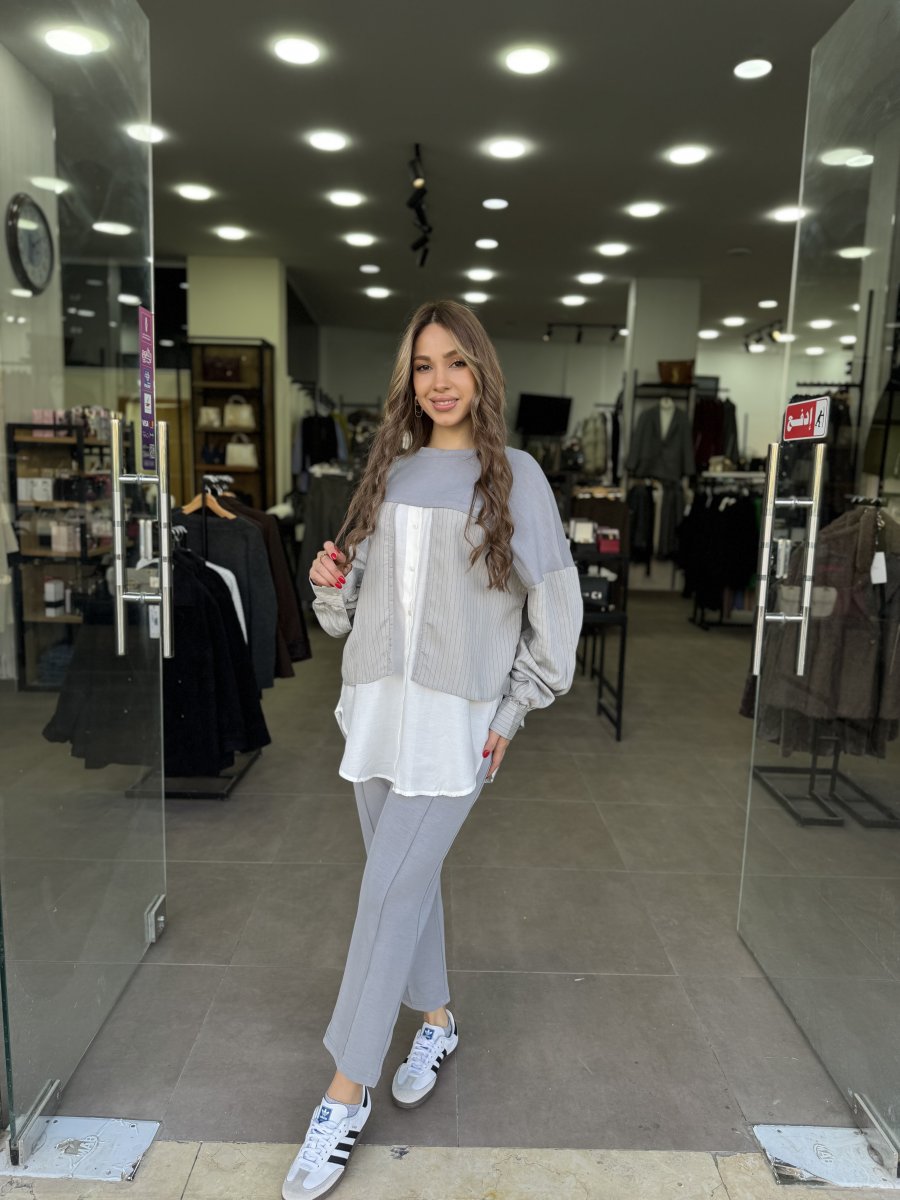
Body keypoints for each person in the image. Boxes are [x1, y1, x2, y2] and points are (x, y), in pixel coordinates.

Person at [282, 300, 583, 1200]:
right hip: (378, 712)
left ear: (481, 371)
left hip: (457, 728)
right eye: (423, 365)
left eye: (456, 362)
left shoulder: (517, 478)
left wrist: (513, 710)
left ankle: (344, 1092)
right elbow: (348, 614)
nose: (440, 380)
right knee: (404, 884)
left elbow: (555, 612)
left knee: (385, 893)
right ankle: (439, 1021)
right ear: (408, 381)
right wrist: (329, 583)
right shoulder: (389, 471)